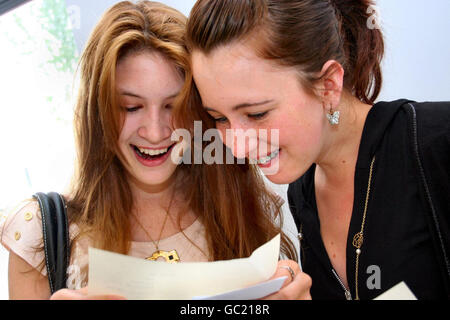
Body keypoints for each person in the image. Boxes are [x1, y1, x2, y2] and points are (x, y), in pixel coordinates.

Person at [0, 1, 311, 300]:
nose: (156, 131)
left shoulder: (233, 202)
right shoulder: (40, 234)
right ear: (98, 114)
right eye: (131, 107)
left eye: (173, 106)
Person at [184, 0, 450, 299]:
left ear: (328, 86)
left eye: (257, 114)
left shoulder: (437, 143)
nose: (238, 145)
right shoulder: (302, 190)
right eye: (220, 118)